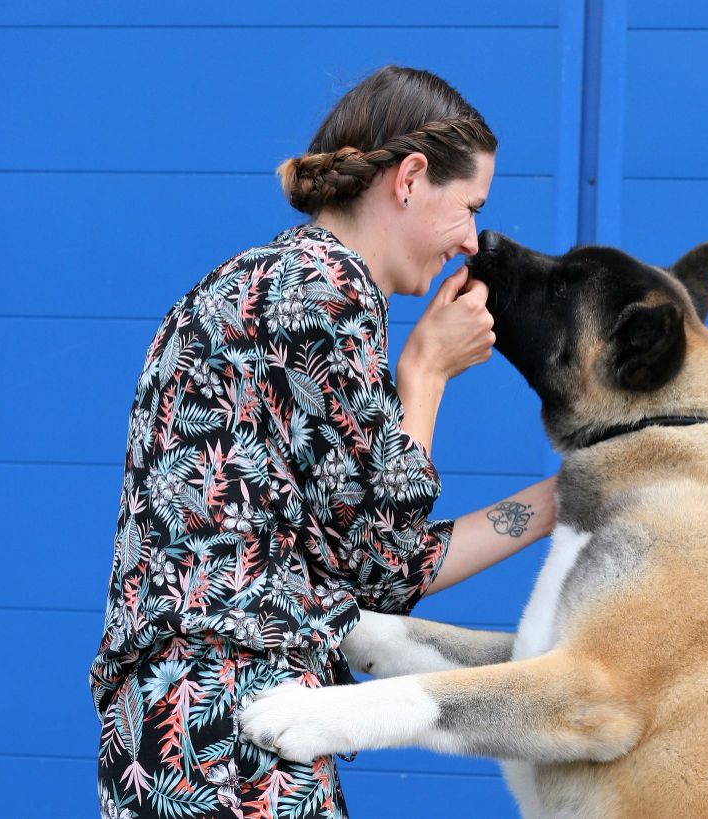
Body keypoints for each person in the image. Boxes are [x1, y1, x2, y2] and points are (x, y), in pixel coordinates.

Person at [91, 65, 556, 819]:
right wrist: (427, 373)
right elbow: (383, 559)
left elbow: (386, 563)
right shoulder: (329, 289)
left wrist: (566, 496)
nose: (471, 239)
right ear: (409, 178)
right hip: (232, 713)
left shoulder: (242, 283)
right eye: (469, 205)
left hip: (174, 719)